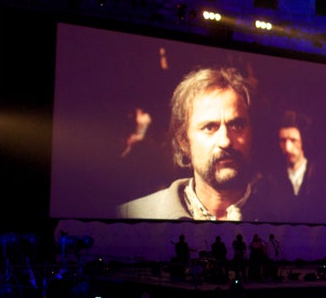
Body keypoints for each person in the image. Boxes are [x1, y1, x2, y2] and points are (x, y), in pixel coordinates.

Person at [117, 66, 273, 221]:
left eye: (237, 125)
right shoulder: (132, 216)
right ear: (184, 141)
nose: (225, 141)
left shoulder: (287, 214)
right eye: (209, 127)